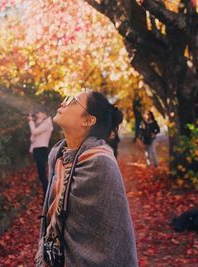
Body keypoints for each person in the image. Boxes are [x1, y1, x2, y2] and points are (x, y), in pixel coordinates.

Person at [35, 91, 138, 267]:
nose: (63, 103)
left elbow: (112, 237)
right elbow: (53, 217)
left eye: (72, 101)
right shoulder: (58, 155)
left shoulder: (100, 163)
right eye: (67, 98)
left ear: (88, 120)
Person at [28, 106, 53, 198]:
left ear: (45, 114)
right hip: (37, 149)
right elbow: (33, 138)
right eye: (37, 112)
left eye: (39, 112)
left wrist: (31, 121)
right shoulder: (40, 123)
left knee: (43, 175)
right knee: (41, 175)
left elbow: (34, 132)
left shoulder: (47, 123)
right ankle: (47, 195)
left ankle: (48, 196)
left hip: (41, 149)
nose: (37, 114)